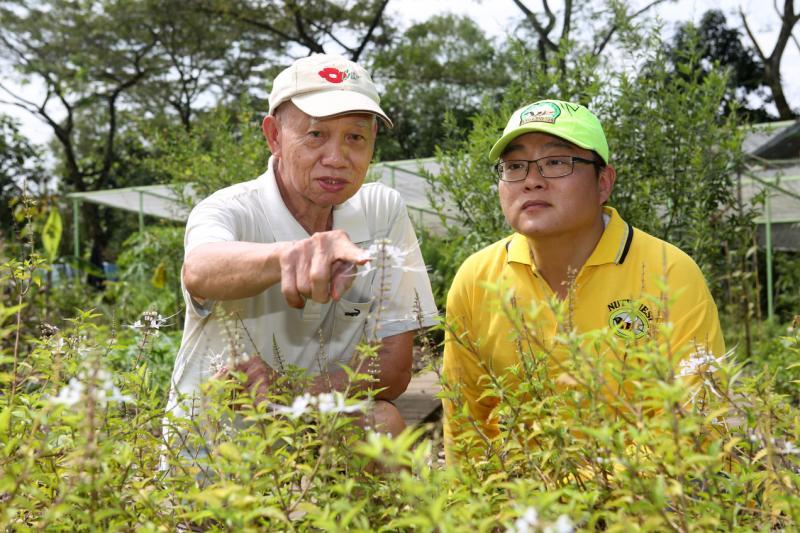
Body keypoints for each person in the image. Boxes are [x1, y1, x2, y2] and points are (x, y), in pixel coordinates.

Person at [166, 53, 438, 438]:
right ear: (274, 136)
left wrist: (292, 393)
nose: (337, 158)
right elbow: (199, 268)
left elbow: (394, 368)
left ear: (373, 141)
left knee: (382, 423)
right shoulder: (228, 210)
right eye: (316, 135)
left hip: (315, 430)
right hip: (220, 447)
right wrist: (289, 255)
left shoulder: (382, 210)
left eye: (355, 137)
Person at [442, 99, 725, 464]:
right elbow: (465, 425)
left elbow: (695, 424)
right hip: (517, 496)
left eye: (556, 162)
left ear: (603, 182)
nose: (531, 180)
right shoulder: (476, 279)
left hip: (644, 494)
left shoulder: (669, 273)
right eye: (514, 166)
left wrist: (578, 491)